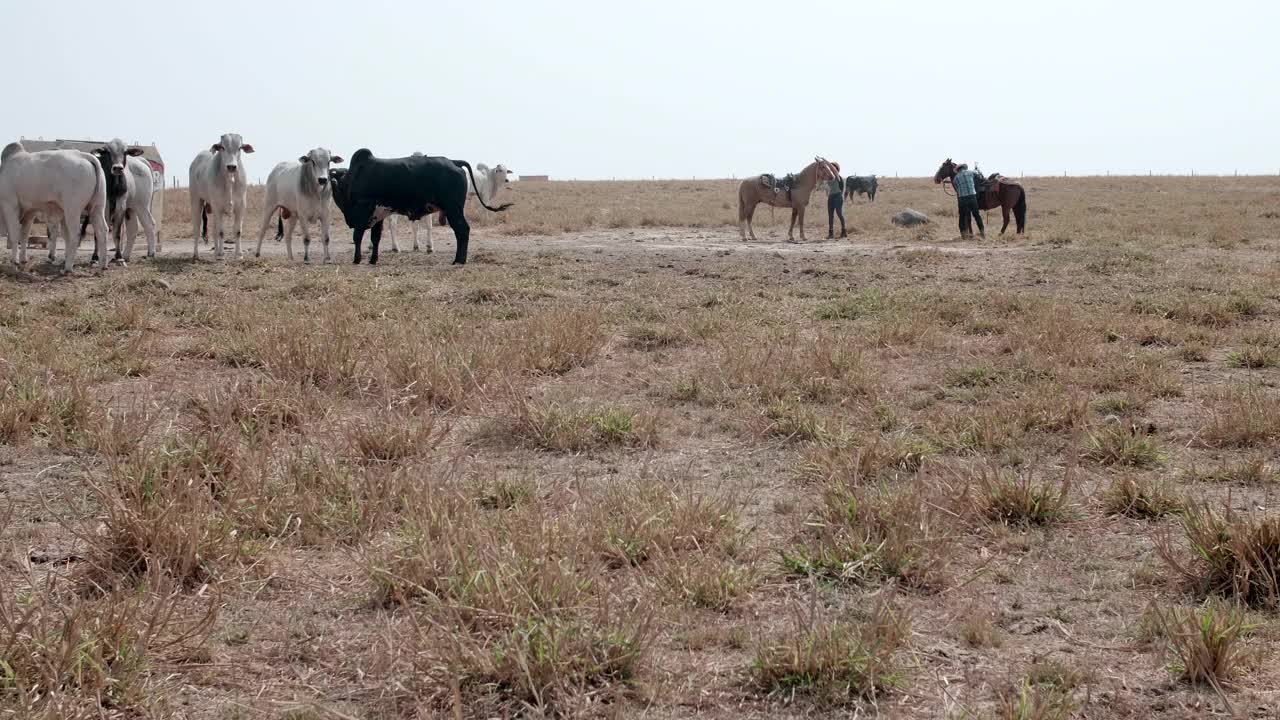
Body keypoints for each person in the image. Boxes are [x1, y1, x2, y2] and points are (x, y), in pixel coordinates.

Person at [953, 163, 985, 238]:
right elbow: (979, 176)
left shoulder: (956, 178)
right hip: (972, 197)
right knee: (977, 215)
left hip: (962, 199)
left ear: (958, 170)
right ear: (964, 167)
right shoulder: (971, 172)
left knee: (962, 216)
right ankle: (982, 232)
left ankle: (963, 234)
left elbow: (957, 188)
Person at [826, 162, 847, 239]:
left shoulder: (838, 177)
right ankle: (831, 233)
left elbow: (834, 170)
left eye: (833, 168)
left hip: (838, 196)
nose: (831, 169)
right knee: (830, 215)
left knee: (839, 213)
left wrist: (826, 161)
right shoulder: (829, 177)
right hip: (831, 196)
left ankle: (844, 231)